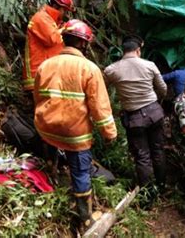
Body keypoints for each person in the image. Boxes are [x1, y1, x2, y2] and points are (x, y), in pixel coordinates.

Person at [33, 19, 117, 229]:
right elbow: (100, 109)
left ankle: (52, 180)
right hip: (74, 134)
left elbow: (38, 98)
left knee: (51, 156)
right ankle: (85, 218)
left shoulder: (45, 65)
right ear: (83, 44)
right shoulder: (89, 69)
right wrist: (109, 134)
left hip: (46, 128)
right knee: (80, 172)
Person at [104, 35, 167, 190]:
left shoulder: (111, 70)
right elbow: (163, 89)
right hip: (154, 113)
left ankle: (147, 193)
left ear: (123, 51)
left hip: (134, 119)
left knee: (142, 156)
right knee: (158, 150)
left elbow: (101, 90)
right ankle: (162, 185)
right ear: (138, 50)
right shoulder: (150, 65)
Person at [23, 0, 75, 92]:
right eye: (64, 10)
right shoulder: (41, 18)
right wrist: (66, 30)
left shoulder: (52, 21)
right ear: (56, 6)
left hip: (47, 75)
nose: (65, 14)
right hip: (39, 75)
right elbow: (52, 39)